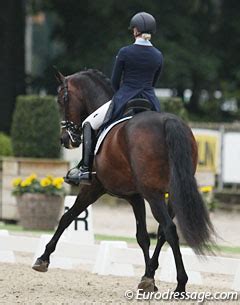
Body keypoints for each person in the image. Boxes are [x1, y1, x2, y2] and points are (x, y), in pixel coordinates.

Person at [65, 12, 164, 185]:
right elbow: (154, 81)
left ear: (136, 30)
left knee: (88, 123)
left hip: (125, 97)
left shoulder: (125, 52)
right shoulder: (158, 55)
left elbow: (115, 81)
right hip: (150, 102)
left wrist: (122, 94)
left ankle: (85, 170)